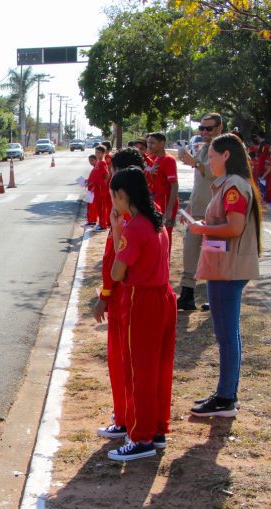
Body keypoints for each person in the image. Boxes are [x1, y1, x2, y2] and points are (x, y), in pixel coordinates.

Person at [187, 133, 263, 418]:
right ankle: (226, 393)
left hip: (227, 269)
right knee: (228, 334)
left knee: (226, 335)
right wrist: (206, 224)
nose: (210, 161)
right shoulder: (231, 185)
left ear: (226, 156)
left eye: (213, 156)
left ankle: (225, 397)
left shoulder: (233, 186)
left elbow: (234, 227)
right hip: (225, 266)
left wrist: (201, 229)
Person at [106, 167, 177, 461]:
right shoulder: (155, 221)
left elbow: (117, 270)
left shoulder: (134, 228)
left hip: (142, 299)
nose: (112, 202)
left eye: (113, 196)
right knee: (157, 367)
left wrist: (117, 231)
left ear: (122, 195)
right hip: (162, 296)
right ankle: (156, 429)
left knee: (138, 371)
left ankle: (141, 436)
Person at [94, 147, 147, 445]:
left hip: (126, 295)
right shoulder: (134, 212)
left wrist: (104, 294)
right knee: (125, 362)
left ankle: (127, 420)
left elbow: (116, 263)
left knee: (123, 362)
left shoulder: (130, 217)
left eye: (113, 172)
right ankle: (125, 418)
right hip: (128, 293)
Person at [176, 113, 223, 311]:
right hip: (197, 212)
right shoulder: (204, 149)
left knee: (214, 254)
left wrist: (194, 163)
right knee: (190, 251)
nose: (204, 132)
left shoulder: (225, 148)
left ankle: (217, 297)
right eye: (201, 128)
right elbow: (200, 182)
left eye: (208, 128)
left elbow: (217, 174)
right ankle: (187, 294)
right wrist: (190, 205)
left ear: (219, 128)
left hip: (216, 215)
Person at [146, 132, 179, 251]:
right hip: (155, 203)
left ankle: (165, 265)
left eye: (152, 143)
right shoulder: (153, 159)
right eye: (148, 142)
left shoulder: (168, 160)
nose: (149, 145)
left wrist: (169, 211)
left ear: (162, 143)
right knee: (155, 235)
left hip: (166, 205)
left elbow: (174, 185)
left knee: (166, 235)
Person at [86, 145, 110, 231]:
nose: (97, 154)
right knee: (99, 207)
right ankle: (100, 223)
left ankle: (103, 225)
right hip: (96, 188)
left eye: (99, 152)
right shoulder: (98, 163)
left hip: (101, 188)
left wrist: (103, 184)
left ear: (103, 153)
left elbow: (106, 175)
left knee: (102, 207)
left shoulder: (102, 163)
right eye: (96, 152)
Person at [84, 154, 98, 226]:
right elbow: (92, 179)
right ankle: (90, 220)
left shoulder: (97, 168)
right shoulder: (94, 168)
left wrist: (89, 184)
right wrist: (86, 181)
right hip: (90, 189)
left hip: (93, 189)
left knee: (92, 206)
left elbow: (96, 180)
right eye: (89, 161)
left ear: (96, 160)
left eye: (92, 160)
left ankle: (92, 221)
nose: (91, 162)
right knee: (89, 205)